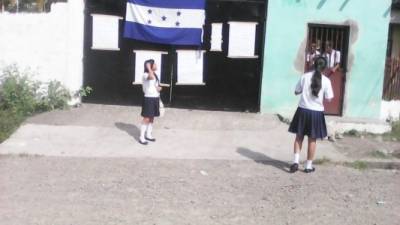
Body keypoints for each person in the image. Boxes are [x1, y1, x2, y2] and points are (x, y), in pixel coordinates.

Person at [288, 56, 334, 173]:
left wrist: (302, 92)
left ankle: (296, 162)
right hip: (316, 113)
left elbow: (296, 91)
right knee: (312, 140)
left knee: (299, 137)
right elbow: (329, 98)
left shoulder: (304, 77)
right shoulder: (326, 81)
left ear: (313, 64)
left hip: (303, 110)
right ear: (325, 67)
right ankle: (308, 166)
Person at [139, 59, 162, 145]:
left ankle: (148, 134)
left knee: (152, 117)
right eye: (154, 64)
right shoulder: (145, 74)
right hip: (148, 99)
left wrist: (159, 88)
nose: (156, 65)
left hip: (155, 98)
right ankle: (141, 137)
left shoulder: (155, 74)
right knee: (146, 118)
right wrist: (148, 67)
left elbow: (155, 85)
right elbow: (150, 77)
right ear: (150, 66)